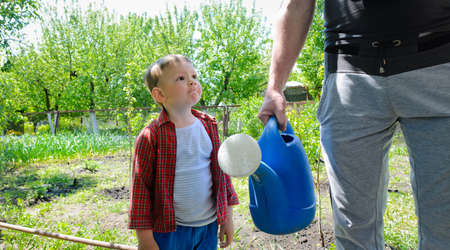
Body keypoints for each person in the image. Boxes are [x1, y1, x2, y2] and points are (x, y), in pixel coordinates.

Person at [258, 0, 450, 249]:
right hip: (348, 74)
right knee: (353, 231)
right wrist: (274, 87)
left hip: (438, 65)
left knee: (445, 226)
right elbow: (296, 4)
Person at [128, 54, 239, 250]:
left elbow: (222, 173)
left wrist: (227, 218)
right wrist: (145, 239)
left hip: (208, 226)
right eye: (181, 78)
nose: (192, 82)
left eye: (194, 76)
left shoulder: (209, 126)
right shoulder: (151, 136)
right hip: (170, 230)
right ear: (159, 95)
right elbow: (141, 190)